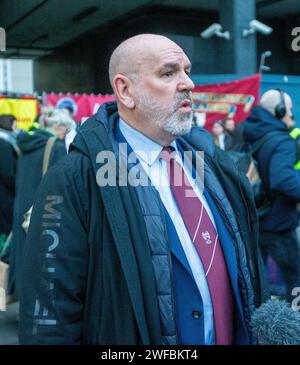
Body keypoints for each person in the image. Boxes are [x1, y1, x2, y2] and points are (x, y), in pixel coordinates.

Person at [19, 34, 267, 345]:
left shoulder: (214, 164)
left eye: (187, 71)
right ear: (125, 90)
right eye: (168, 72)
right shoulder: (76, 177)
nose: (188, 83)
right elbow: (51, 313)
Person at [243, 89, 300, 303]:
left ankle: (257, 323)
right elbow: (282, 180)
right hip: (279, 225)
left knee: (257, 281)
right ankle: (296, 323)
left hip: (255, 221)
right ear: (279, 111)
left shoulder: (251, 132)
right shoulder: (282, 140)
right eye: (289, 111)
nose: (291, 116)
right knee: (296, 278)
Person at [8, 109, 71, 299]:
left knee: (23, 255)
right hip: (45, 208)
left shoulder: (25, 143)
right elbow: (62, 183)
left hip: (22, 206)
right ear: (58, 127)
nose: (65, 135)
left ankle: (22, 299)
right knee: (44, 257)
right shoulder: (56, 145)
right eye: (66, 130)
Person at [0, 115, 18, 237]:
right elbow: (8, 174)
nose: (17, 129)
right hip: (5, 195)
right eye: (16, 125)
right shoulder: (4, 144)